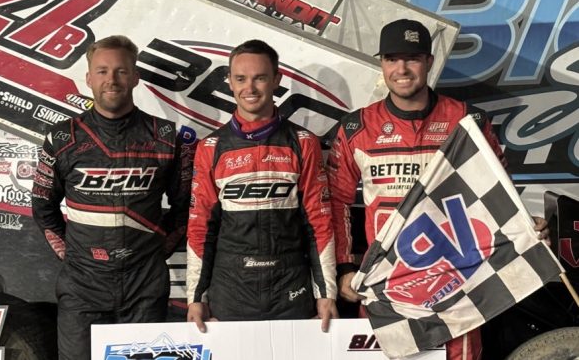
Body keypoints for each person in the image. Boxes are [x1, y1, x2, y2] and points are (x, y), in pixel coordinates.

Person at [326, 19, 550, 360]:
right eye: (392, 59)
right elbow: (338, 201)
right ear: (382, 63)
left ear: (429, 61)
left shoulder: (468, 121)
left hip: (458, 283)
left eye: (412, 58)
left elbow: (499, 194)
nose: (401, 69)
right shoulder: (358, 128)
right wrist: (344, 268)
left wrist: (524, 225)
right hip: (387, 285)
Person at [31, 35, 194, 360]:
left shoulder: (166, 137)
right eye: (102, 71)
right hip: (82, 285)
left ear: (135, 77)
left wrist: (154, 255)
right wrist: (74, 257)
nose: (111, 80)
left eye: (121, 71)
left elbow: (186, 207)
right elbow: (43, 206)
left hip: (144, 285)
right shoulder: (62, 138)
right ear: (89, 78)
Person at [186, 39, 338, 333]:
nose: (250, 88)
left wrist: (326, 293)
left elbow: (319, 223)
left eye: (260, 78)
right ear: (229, 81)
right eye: (241, 79)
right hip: (231, 289)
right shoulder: (210, 147)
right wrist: (195, 296)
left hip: (290, 287)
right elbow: (200, 227)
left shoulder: (303, 143)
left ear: (276, 80)